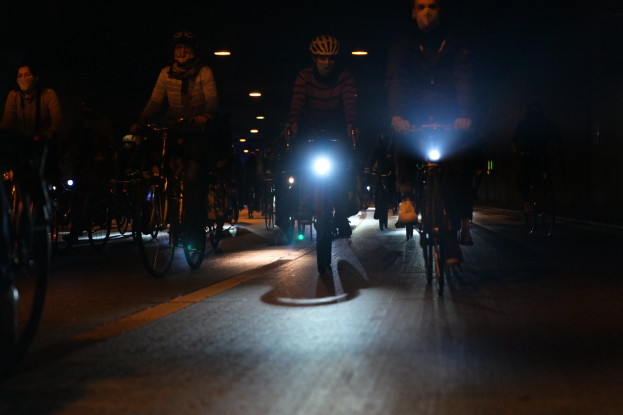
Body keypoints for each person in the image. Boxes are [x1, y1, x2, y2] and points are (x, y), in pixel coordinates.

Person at [386, 0, 479, 263]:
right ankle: (406, 196)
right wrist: (397, 114)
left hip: (449, 113)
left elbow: (465, 78)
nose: (427, 12)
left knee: (461, 163)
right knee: (402, 138)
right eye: (421, 6)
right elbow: (397, 79)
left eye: (433, 6)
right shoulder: (403, 44)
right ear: (413, 11)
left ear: (442, 10)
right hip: (414, 112)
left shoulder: (455, 41)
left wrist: (465, 114)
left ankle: (454, 233)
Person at [131, 31, 227, 247]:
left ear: (193, 52)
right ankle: (164, 193)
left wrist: (206, 115)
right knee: (155, 159)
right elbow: (155, 100)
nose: (182, 53)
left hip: (196, 129)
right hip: (173, 126)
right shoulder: (166, 73)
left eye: (186, 49)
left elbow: (212, 98)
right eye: (178, 49)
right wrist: (141, 121)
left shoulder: (204, 71)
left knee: (193, 179)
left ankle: (194, 234)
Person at [289, 35, 359, 237]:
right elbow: (297, 102)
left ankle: (342, 210)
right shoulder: (304, 77)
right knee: (302, 161)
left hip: (337, 131)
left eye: (332, 58)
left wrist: (351, 125)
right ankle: (306, 202)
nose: (327, 63)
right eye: (322, 58)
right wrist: (293, 124)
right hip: (312, 131)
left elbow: (350, 105)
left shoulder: (345, 78)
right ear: (314, 58)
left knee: (343, 168)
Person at [0, 62, 64, 180]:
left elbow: (57, 117)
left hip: (44, 140)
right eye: (20, 76)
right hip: (24, 141)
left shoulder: (48, 94)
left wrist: (52, 130)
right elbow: (8, 118)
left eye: (27, 75)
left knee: (51, 171)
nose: (23, 78)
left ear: (36, 77)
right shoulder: (14, 95)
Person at [512, 100, 563, 214]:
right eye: (533, 109)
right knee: (525, 176)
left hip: (541, 154)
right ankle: (526, 201)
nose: (535, 112)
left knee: (545, 175)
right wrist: (517, 150)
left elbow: (557, 135)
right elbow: (515, 137)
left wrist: (560, 146)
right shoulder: (524, 124)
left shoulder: (545, 124)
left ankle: (542, 197)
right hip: (528, 155)